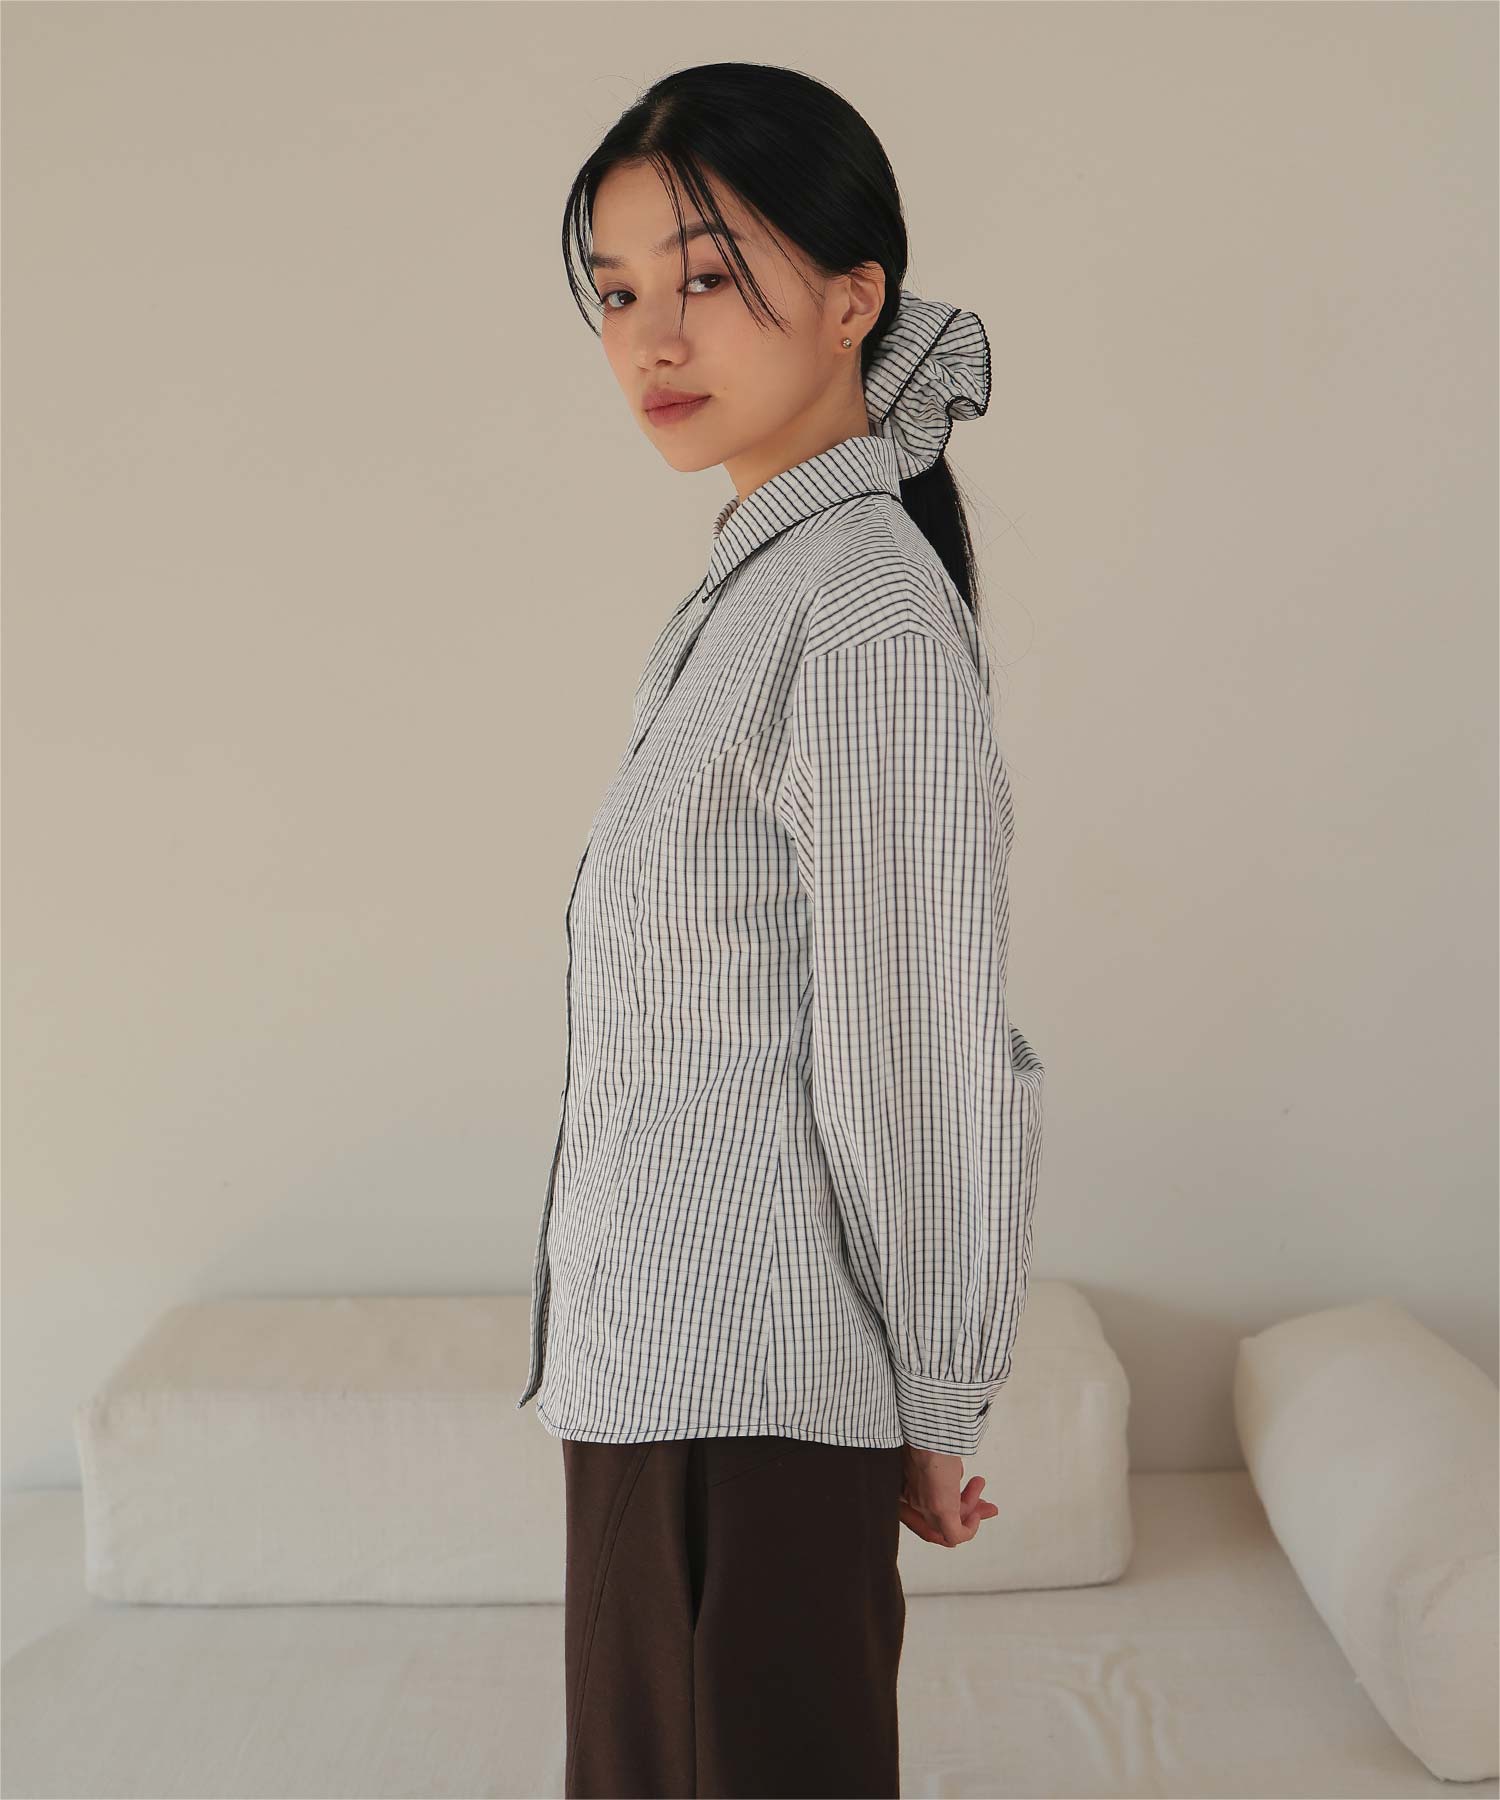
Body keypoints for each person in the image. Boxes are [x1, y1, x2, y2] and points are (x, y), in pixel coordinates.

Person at [516, 60, 1046, 1800]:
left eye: (707, 276)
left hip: (747, 1398)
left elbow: (919, 1041)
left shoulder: (862, 609)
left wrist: (937, 1394)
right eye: (617, 293)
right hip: (660, 1377)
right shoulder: (756, 591)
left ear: (851, 297)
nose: (652, 339)